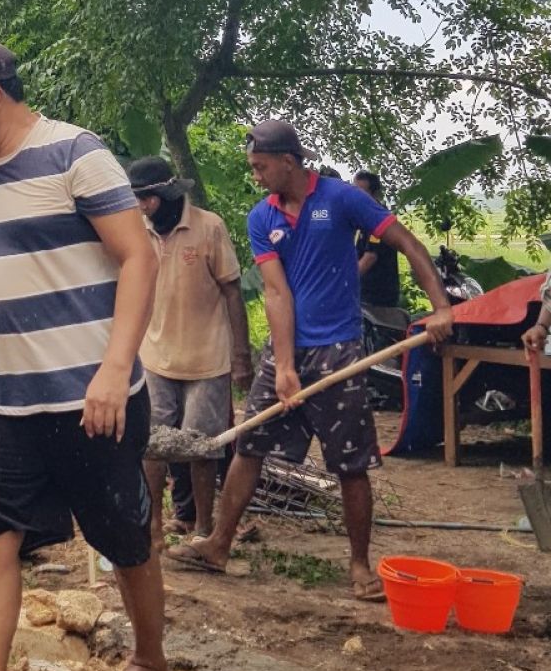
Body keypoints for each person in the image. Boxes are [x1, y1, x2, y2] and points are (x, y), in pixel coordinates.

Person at [0, 39, 177, 671]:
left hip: (90, 399)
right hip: (2, 401)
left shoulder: (76, 154)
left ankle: (150, 660)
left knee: (124, 537)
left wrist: (116, 369)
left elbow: (139, 260)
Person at [166, 120, 453, 601]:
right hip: (287, 352)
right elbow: (277, 294)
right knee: (250, 444)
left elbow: (409, 244)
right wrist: (282, 367)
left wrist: (441, 306)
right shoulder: (262, 218)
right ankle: (217, 543)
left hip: (339, 351)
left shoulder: (342, 199)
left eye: (260, 167)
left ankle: (360, 567)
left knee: (350, 462)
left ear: (289, 162)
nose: (255, 176)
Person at [129, 157, 252, 548]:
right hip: (155, 357)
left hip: (207, 359)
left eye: (145, 199)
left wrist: (241, 357)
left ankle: (203, 528)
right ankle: (153, 528)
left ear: (164, 195)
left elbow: (233, 292)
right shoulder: (136, 231)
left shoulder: (208, 227)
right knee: (151, 444)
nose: (141, 206)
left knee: (203, 446)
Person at [352, 171, 401, 310]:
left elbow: (370, 257)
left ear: (374, 194)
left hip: (378, 296)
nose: (355, 197)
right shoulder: (362, 217)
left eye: (361, 192)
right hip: (364, 292)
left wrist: (345, 282)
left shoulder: (379, 218)